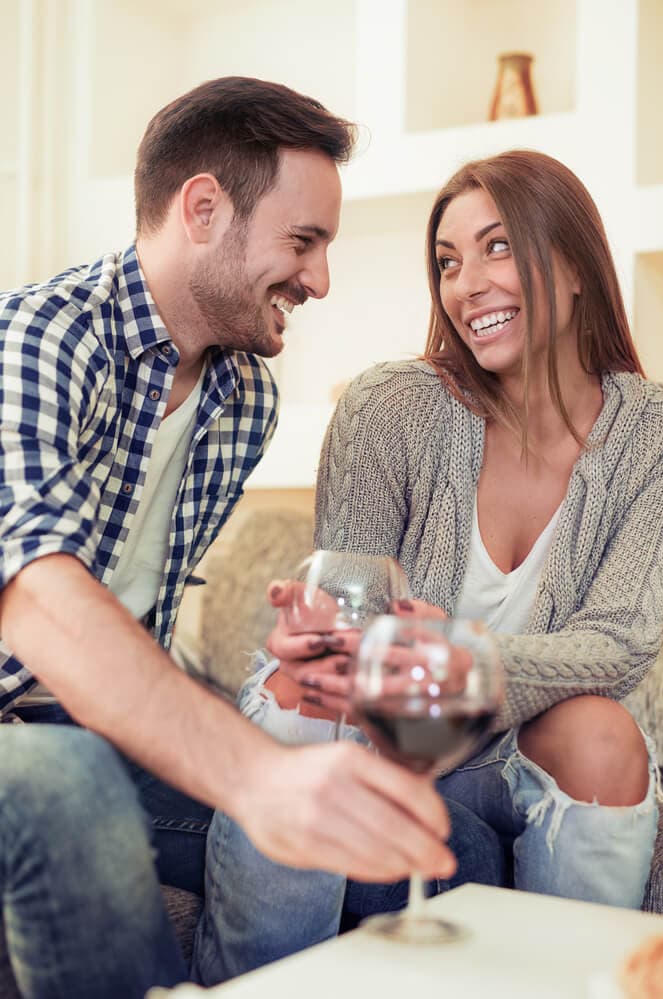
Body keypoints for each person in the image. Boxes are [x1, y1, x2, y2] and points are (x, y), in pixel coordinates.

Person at [0, 76, 487, 999]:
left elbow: (137, 616)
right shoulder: (37, 340)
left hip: (104, 728)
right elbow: (39, 600)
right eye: (303, 242)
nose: (320, 280)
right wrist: (254, 779)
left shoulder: (242, 398)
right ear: (203, 209)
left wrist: (297, 662)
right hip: (23, 731)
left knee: (436, 836)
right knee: (66, 783)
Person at [194, 149, 663, 983]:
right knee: (301, 692)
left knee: (604, 730)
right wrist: (328, 637)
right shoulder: (391, 406)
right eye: (447, 262)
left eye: (495, 247)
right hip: (391, 729)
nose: (466, 283)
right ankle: (252, 983)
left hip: (524, 745)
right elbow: (346, 606)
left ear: (575, 262)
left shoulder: (652, 434)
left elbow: (620, 638)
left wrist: (467, 661)